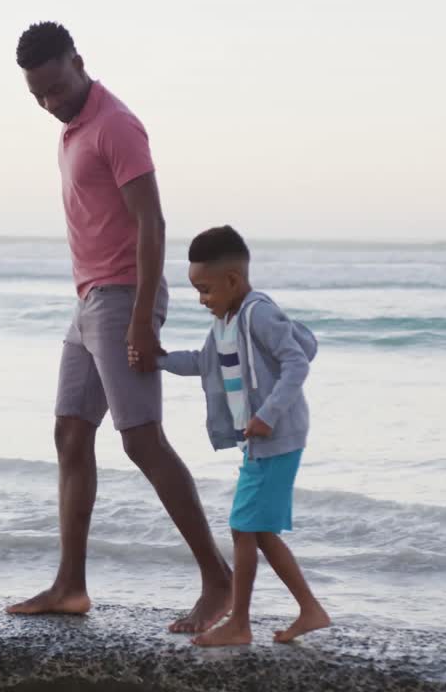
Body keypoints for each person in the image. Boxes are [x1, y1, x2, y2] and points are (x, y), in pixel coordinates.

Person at [5, 21, 232, 634]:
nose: (50, 103)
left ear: (79, 62)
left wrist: (140, 321)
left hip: (123, 296)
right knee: (70, 433)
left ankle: (219, 581)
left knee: (142, 439)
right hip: (89, 301)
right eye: (37, 95)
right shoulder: (72, 128)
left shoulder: (115, 125)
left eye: (56, 88)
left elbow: (152, 223)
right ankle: (70, 586)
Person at [131, 225, 331, 646]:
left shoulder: (259, 314)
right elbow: (203, 363)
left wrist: (268, 414)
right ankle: (309, 609)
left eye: (205, 290)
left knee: (243, 528)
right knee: (257, 532)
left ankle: (240, 623)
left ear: (233, 280)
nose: (202, 299)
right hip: (260, 442)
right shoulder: (224, 323)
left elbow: (296, 363)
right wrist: (158, 360)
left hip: (277, 439)